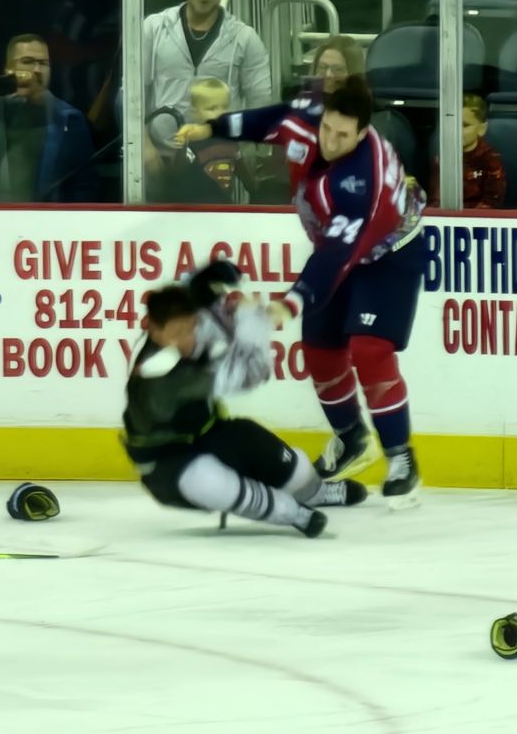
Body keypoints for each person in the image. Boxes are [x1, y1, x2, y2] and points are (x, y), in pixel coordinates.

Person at [176, 76, 426, 506]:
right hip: (337, 250)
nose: (330, 140)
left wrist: (290, 303)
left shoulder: (363, 183)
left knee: (369, 350)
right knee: (319, 349)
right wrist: (213, 127)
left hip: (388, 256)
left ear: (364, 132)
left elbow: (335, 255)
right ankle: (351, 438)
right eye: (327, 128)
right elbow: (271, 119)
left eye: (342, 135)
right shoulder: (311, 120)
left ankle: (401, 456)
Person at [122, 263, 367, 538]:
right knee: (210, 482)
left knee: (267, 450)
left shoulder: (166, 334)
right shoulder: (158, 371)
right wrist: (254, 321)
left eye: (190, 328)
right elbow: (251, 373)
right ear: (155, 331)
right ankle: (289, 512)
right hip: (164, 464)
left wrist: (202, 290)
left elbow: (196, 320)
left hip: (207, 434)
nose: (188, 339)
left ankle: (316, 492)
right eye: (179, 333)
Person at [143, 0, 271, 157]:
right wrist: (144, 149)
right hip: (161, 151)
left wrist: (243, 149)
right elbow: (132, 92)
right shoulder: (154, 28)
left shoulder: (244, 37)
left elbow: (260, 99)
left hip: (217, 152)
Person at [0, 34, 97, 202]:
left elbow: (85, 186)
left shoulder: (69, 119)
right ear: (8, 68)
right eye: (28, 61)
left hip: (46, 224)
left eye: (44, 63)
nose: (37, 69)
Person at [428, 93, 506, 209]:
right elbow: (435, 198)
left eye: (465, 125)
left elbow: (492, 202)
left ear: (481, 129)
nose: (456, 131)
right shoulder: (442, 157)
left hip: (478, 219)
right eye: (452, 124)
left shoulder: (490, 159)